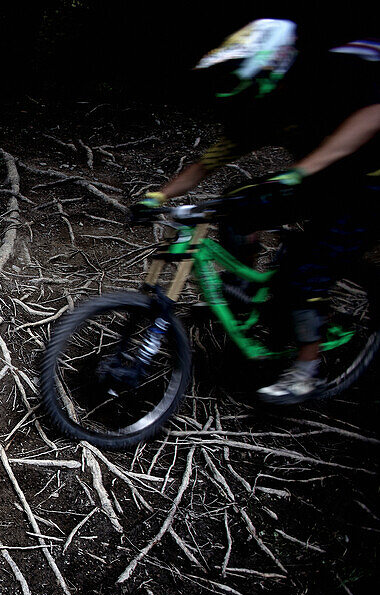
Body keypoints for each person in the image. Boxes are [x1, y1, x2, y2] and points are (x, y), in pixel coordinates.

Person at [130, 19, 380, 404]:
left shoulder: (330, 82)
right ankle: (244, 289)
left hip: (368, 185)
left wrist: (301, 171)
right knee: (235, 203)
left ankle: (305, 372)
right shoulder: (260, 114)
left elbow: (372, 114)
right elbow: (203, 166)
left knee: (304, 275)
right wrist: (157, 197)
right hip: (319, 178)